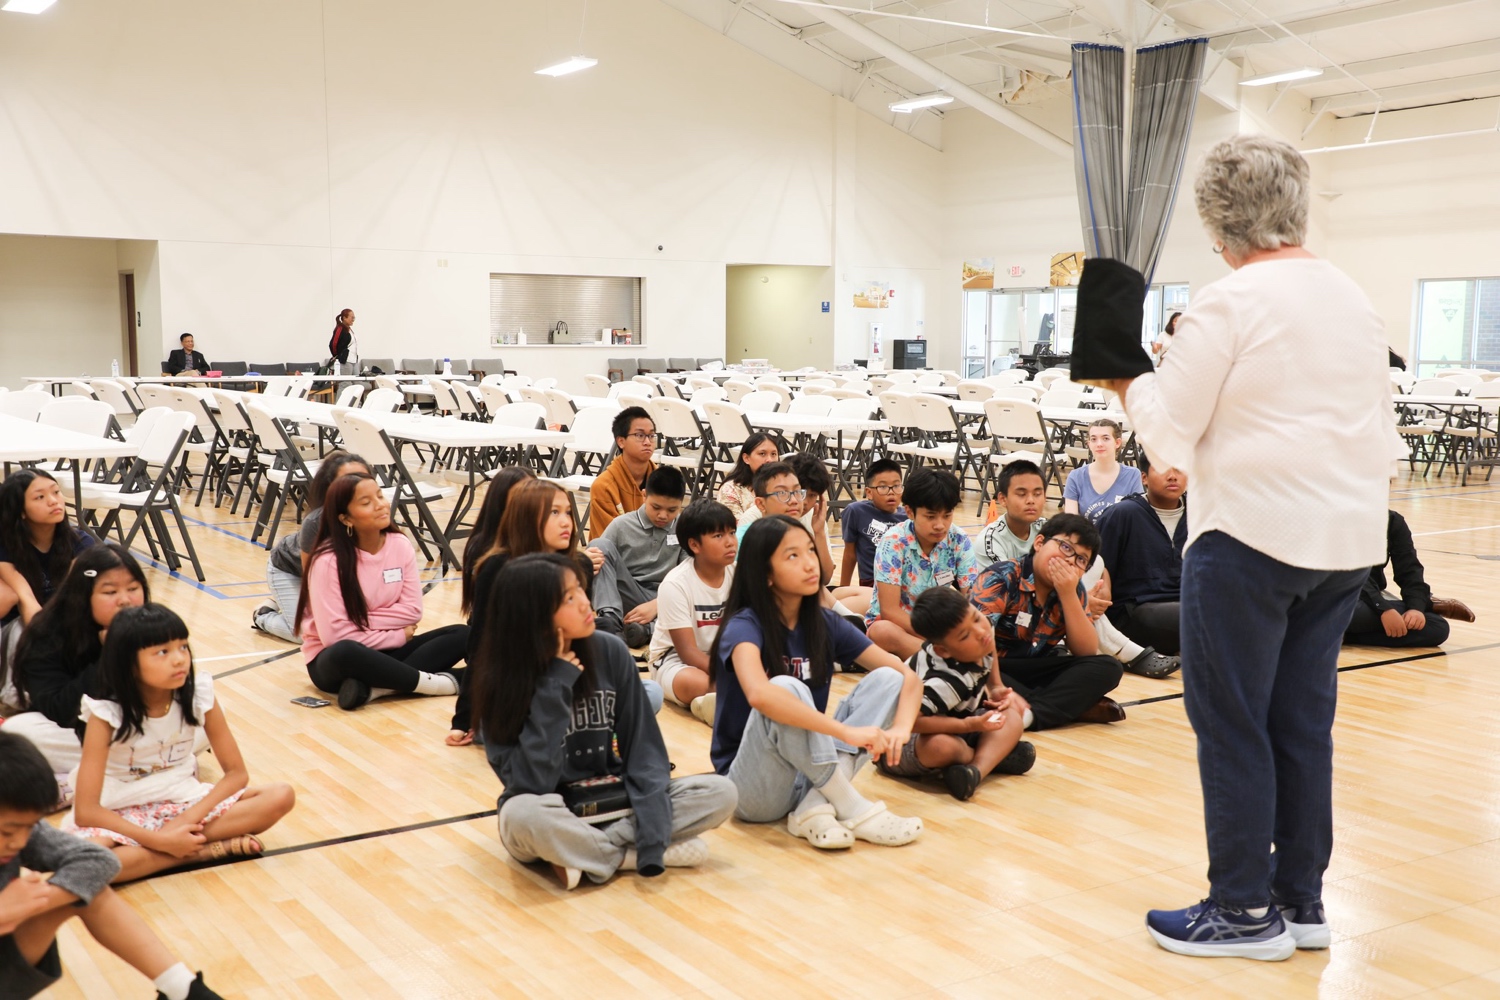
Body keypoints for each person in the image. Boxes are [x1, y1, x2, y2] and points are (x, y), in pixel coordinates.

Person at [1107, 134, 1403, 959]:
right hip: (1346, 540)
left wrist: (1126, 381)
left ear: (1219, 225)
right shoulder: (1351, 296)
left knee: (1232, 721)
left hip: (1251, 538)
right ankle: (1299, 901)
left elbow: (1170, 436)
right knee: (1302, 723)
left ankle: (1240, 909)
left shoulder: (1229, 301)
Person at [477, 554, 737, 890]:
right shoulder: (501, 678)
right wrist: (556, 686)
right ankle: (628, 855)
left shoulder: (610, 651)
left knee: (721, 792)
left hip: (617, 800)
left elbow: (645, 752)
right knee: (519, 817)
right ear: (533, 614)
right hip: (552, 807)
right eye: (569, 598)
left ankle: (587, 853)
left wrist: (651, 822)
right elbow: (528, 782)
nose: (586, 602)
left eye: (580, 590)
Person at [710, 516, 925, 850]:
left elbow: (907, 675)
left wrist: (901, 728)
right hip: (754, 789)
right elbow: (760, 694)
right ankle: (851, 806)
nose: (810, 563)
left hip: (810, 773)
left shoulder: (825, 622)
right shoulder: (744, 625)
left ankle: (814, 805)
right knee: (785, 688)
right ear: (766, 574)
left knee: (888, 679)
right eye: (792, 556)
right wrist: (844, 732)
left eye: (810, 550)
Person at [64, 606, 295, 883]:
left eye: (183, 647)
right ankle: (200, 852)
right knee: (89, 865)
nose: (179, 659)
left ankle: (171, 850)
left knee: (280, 795)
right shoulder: (106, 715)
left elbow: (236, 774)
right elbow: (87, 811)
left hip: (182, 801)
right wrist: (161, 841)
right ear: (128, 663)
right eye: (162, 652)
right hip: (119, 811)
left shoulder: (198, 695)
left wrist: (182, 824)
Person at [0, 731, 226, 1000]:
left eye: (29, 827)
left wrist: (35, 901)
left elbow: (98, 860)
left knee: (87, 886)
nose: (20, 841)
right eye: (8, 832)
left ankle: (185, 991)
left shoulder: (20, 831)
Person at [454, 479, 655, 745]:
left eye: (568, 512)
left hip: (567, 679)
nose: (565, 522)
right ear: (527, 517)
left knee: (650, 692)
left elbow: (580, 644)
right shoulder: (499, 567)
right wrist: (463, 719)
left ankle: (589, 730)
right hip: (521, 689)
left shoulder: (573, 563)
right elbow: (481, 644)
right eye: (554, 512)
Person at [979, 460, 1178, 679]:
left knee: (1106, 668)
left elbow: (1095, 561)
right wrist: (1077, 602)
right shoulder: (993, 544)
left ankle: (1041, 693)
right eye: (1021, 494)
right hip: (1002, 656)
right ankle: (1125, 651)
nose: (1030, 500)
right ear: (1002, 499)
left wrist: (1097, 588)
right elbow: (1015, 592)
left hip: (1045, 639)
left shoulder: (1046, 526)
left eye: (1037, 493)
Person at [296, 474, 468, 711]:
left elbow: (412, 611)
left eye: (379, 495)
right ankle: (443, 684)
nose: (380, 505)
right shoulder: (327, 560)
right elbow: (335, 637)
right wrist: (396, 636)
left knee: (463, 634)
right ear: (346, 518)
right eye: (366, 502)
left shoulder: (399, 544)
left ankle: (376, 690)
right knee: (346, 650)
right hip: (335, 660)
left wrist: (355, 620)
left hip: (388, 653)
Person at [5, 544, 150, 797]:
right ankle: (146, 769)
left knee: (204, 717)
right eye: (110, 591)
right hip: (77, 730)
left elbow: (175, 698)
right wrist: (110, 655)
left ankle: (112, 774)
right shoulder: (47, 632)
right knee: (21, 733)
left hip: (134, 729)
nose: (125, 600)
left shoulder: (153, 627)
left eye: (133, 589)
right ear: (83, 595)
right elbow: (58, 710)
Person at [876, 587, 1034, 801]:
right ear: (943, 650)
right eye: (965, 635)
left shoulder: (982, 635)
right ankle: (990, 757)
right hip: (899, 742)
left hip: (956, 721)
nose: (980, 632)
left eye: (976, 618)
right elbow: (913, 723)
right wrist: (968, 726)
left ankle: (974, 771)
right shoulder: (944, 681)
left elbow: (989, 642)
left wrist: (996, 686)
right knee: (941, 747)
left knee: (1011, 717)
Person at [970, 513, 1126, 728]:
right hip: (995, 666)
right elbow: (976, 643)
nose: (1070, 560)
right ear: (1039, 543)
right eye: (1066, 547)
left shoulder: (1073, 589)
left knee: (1108, 667)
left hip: (1037, 667)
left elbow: (1086, 651)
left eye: (1081, 560)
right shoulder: (1001, 577)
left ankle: (1030, 714)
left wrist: (1068, 594)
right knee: (972, 672)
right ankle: (1066, 707)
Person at [251, 452, 371, 643]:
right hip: (289, 570)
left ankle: (285, 601)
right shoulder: (316, 522)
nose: (357, 485)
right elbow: (313, 578)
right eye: (348, 480)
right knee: (305, 634)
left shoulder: (377, 513)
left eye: (363, 478)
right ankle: (263, 615)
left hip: (333, 578)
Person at [865, 468, 979, 659]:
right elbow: (890, 611)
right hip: (899, 625)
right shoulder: (893, 542)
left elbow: (972, 598)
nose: (940, 525)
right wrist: (940, 640)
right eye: (930, 516)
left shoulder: (959, 539)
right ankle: (948, 658)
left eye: (947, 515)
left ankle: (940, 656)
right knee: (882, 632)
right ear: (910, 511)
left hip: (939, 625)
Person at [647, 499, 737, 727]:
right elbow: (688, 652)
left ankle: (715, 704)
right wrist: (731, 675)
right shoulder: (675, 584)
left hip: (722, 656)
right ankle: (717, 702)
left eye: (732, 533)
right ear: (695, 545)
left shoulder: (739, 574)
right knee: (702, 683)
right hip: (675, 660)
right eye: (718, 536)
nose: (730, 542)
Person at [1095, 454, 1188, 656]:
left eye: (1179, 469)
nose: (1173, 476)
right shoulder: (1122, 514)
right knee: (1197, 614)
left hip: (1189, 602)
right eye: (1163, 469)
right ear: (1144, 478)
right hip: (1136, 611)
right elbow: (1096, 566)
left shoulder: (1200, 515)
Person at [1343, 509, 1473, 648]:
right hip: (1336, 600)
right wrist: (1383, 609)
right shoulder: (1338, 521)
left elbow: (1409, 571)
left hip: (1366, 600)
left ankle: (1343, 636)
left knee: (1437, 627)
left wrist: (1415, 608)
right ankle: (1429, 604)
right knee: (1349, 613)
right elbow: (1352, 575)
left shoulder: (1392, 521)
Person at [589, 467, 688, 649]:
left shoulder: (684, 528)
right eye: (656, 507)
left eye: (672, 510)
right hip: (628, 594)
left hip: (669, 598)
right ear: (644, 496)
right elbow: (600, 569)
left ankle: (645, 631)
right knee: (599, 546)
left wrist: (658, 604)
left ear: (682, 504)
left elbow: (689, 578)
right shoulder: (621, 525)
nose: (663, 515)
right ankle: (611, 622)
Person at [0, 469, 96, 631]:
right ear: (21, 511)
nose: (53, 501)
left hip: (64, 618)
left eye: (56, 492)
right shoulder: (5, 545)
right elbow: (26, 600)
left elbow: (74, 597)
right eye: (40, 497)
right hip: (20, 624)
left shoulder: (81, 542)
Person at [459, 466, 537, 619]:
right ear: (502, 500)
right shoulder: (485, 549)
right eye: (523, 495)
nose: (530, 501)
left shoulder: (540, 536)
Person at [587, 406, 656, 539]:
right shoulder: (604, 486)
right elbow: (611, 540)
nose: (648, 442)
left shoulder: (664, 482)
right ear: (621, 441)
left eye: (651, 436)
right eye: (640, 435)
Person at [839, 457, 908, 589]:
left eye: (896, 486)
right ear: (869, 493)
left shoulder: (909, 517)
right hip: (872, 583)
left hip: (905, 582)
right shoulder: (856, 511)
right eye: (883, 487)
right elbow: (850, 554)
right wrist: (843, 588)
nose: (891, 492)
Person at [1063, 418, 1142, 521]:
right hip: (1085, 531)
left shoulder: (1132, 475)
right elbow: (1071, 521)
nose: (1099, 444)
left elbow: (1136, 517)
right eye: (1094, 439)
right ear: (1089, 444)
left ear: (1117, 443)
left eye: (1105, 438)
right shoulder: (1076, 477)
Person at [735, 462, 803, 544]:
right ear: (761, 504)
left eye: (797, 491)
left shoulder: (803, 536)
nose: (794, 500)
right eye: (782, 493)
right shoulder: (743, 541)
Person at [716, 433, 780, 519]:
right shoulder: (731, 490)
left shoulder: (783, 485)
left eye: (773, 454)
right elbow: (735, 525)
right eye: (762, 454)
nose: (769, 460)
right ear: (746, 458)